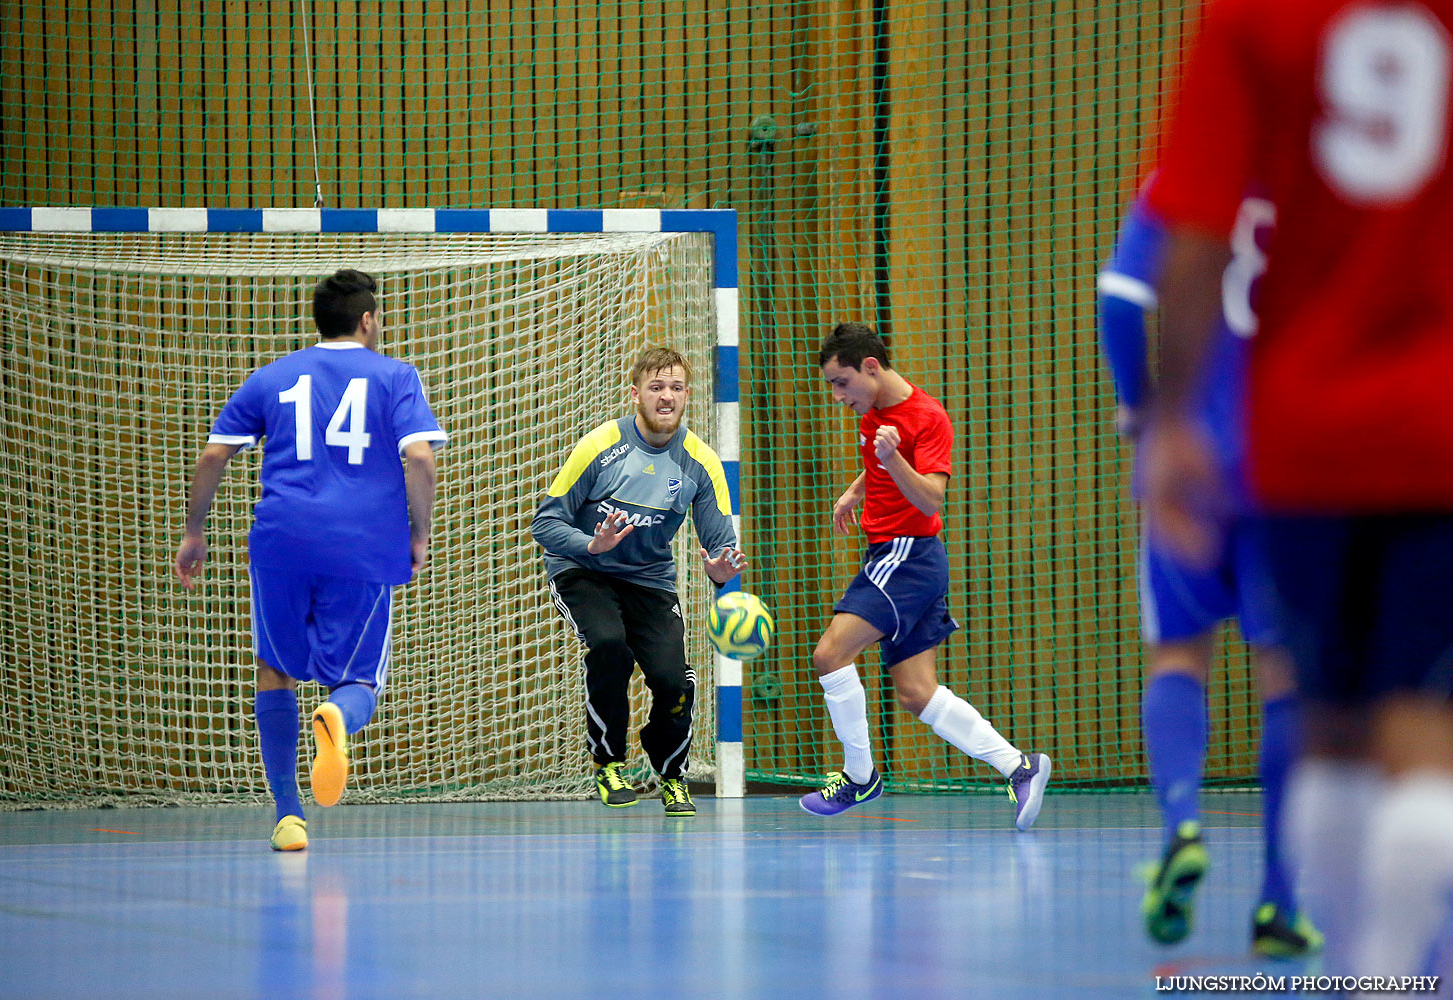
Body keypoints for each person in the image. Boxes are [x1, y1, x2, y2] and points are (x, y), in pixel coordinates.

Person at [1145, 0, 1453, 976]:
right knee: (1422, 722)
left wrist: (1169, 418)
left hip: (1299, 432)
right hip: (1439, 425)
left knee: (1334, 726)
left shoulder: (1254, 17)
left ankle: (1356, 956)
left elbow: (1189, 238)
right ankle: (1392, 971)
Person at [1099, 182, 1321, 956]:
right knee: (1285, 678)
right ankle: (1280, 902)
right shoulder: (1317, 176)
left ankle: (1183, 822)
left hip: (1187, 455)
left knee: (1180, 654)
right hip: (1289, 466)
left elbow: (1120, 297)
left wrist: (1140, 411)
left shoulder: (1191, 171)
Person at [173, 269, 444, 852]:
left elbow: (214, 453)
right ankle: (339, 718)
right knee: (360, 679)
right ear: (368, 320)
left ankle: (288, 815)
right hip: (364, 543)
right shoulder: (396, 376)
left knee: (275, 667)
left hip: (281, 542)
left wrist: (194, 532)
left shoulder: (272, 377)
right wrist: (419, 533)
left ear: (318, 321)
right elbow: (419, 458)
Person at [798, 322, 1051, 829]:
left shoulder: (927, 417)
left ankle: (860, 776)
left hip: (907, 558)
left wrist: (891, 462)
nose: (836, 395)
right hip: (900, 558)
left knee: (829, 654)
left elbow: (931, 497)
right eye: (831, 385)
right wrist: (858, 489)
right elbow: (882, 461)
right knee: (917, 692)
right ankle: (1019, 767)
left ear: (871, 366)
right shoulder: (873, 412)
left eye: (840, 382)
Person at [531, 347, 746, 816]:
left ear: (687, 396)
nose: (666, 397)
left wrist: (720, 574)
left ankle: (670, 773)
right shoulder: (599, 446)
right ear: (635, 395)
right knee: (611, 647)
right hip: (584, 572)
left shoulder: (700, 463)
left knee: (674, 681)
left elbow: (720, 545)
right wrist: (591, 544)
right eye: (656, 387)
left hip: (650, 582)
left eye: (675, 387)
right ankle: (609, 763)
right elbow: (545, 523)